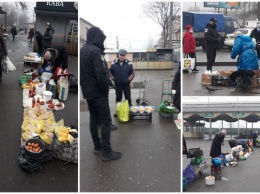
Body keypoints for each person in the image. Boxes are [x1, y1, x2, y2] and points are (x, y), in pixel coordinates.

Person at [80, 26, 122, 162]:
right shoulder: (96, 51)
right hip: (98, 93)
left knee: (93, 119)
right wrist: (106, 88)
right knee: (105, 121)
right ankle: (107, 152)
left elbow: (84, 73)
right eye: (102, 40)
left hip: (87, 92)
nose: (102, 43)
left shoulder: (83, 50)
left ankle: (97, 146)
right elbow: (101, 74)